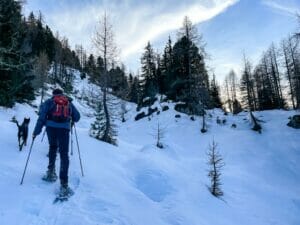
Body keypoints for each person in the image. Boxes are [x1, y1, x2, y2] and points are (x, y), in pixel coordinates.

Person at [33, 88, 80, 195]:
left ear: (53, 94)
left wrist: (36, 132)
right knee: (64, 154)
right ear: (62, 94)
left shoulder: (49, 102)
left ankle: (50, 172)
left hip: (51, 128)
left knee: (53, 147)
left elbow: (41, 117)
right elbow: (77, 117)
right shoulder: (68, 102)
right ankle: (64, 185)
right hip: (64, 129)